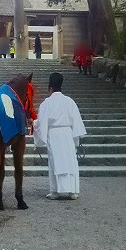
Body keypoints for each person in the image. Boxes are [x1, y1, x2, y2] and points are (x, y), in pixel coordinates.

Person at [33, 72, 87, 200]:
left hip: (54, 134)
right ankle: (73, 191)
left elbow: (42, 123)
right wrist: (76, 137)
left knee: (55, 161)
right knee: (70, 161)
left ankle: (55, 190)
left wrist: (34, 124)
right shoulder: (70, 102)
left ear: (50, 88)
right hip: (67, 133)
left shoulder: (47, 103)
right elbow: (77, 121)